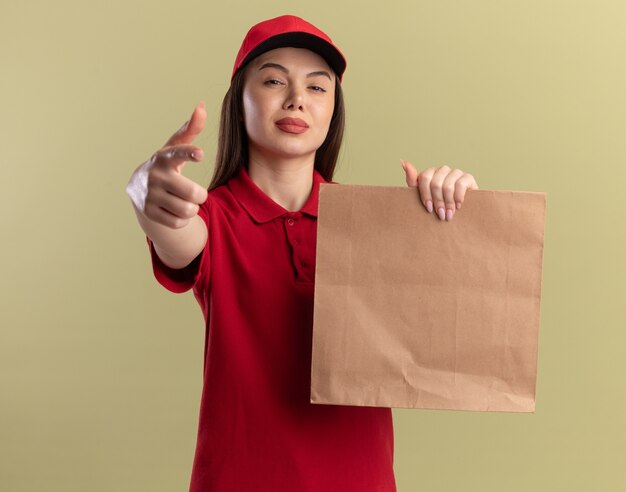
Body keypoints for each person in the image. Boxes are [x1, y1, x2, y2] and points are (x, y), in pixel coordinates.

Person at [126, 14, 478, 492]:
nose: (296, 99)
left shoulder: (369, 226)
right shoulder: (213, 218)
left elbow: (443, 327)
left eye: (318, 87)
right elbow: (176, 235)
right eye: (273, 80)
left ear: (334, 109)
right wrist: (150, 197)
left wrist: (451, 218)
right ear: (240, 101)